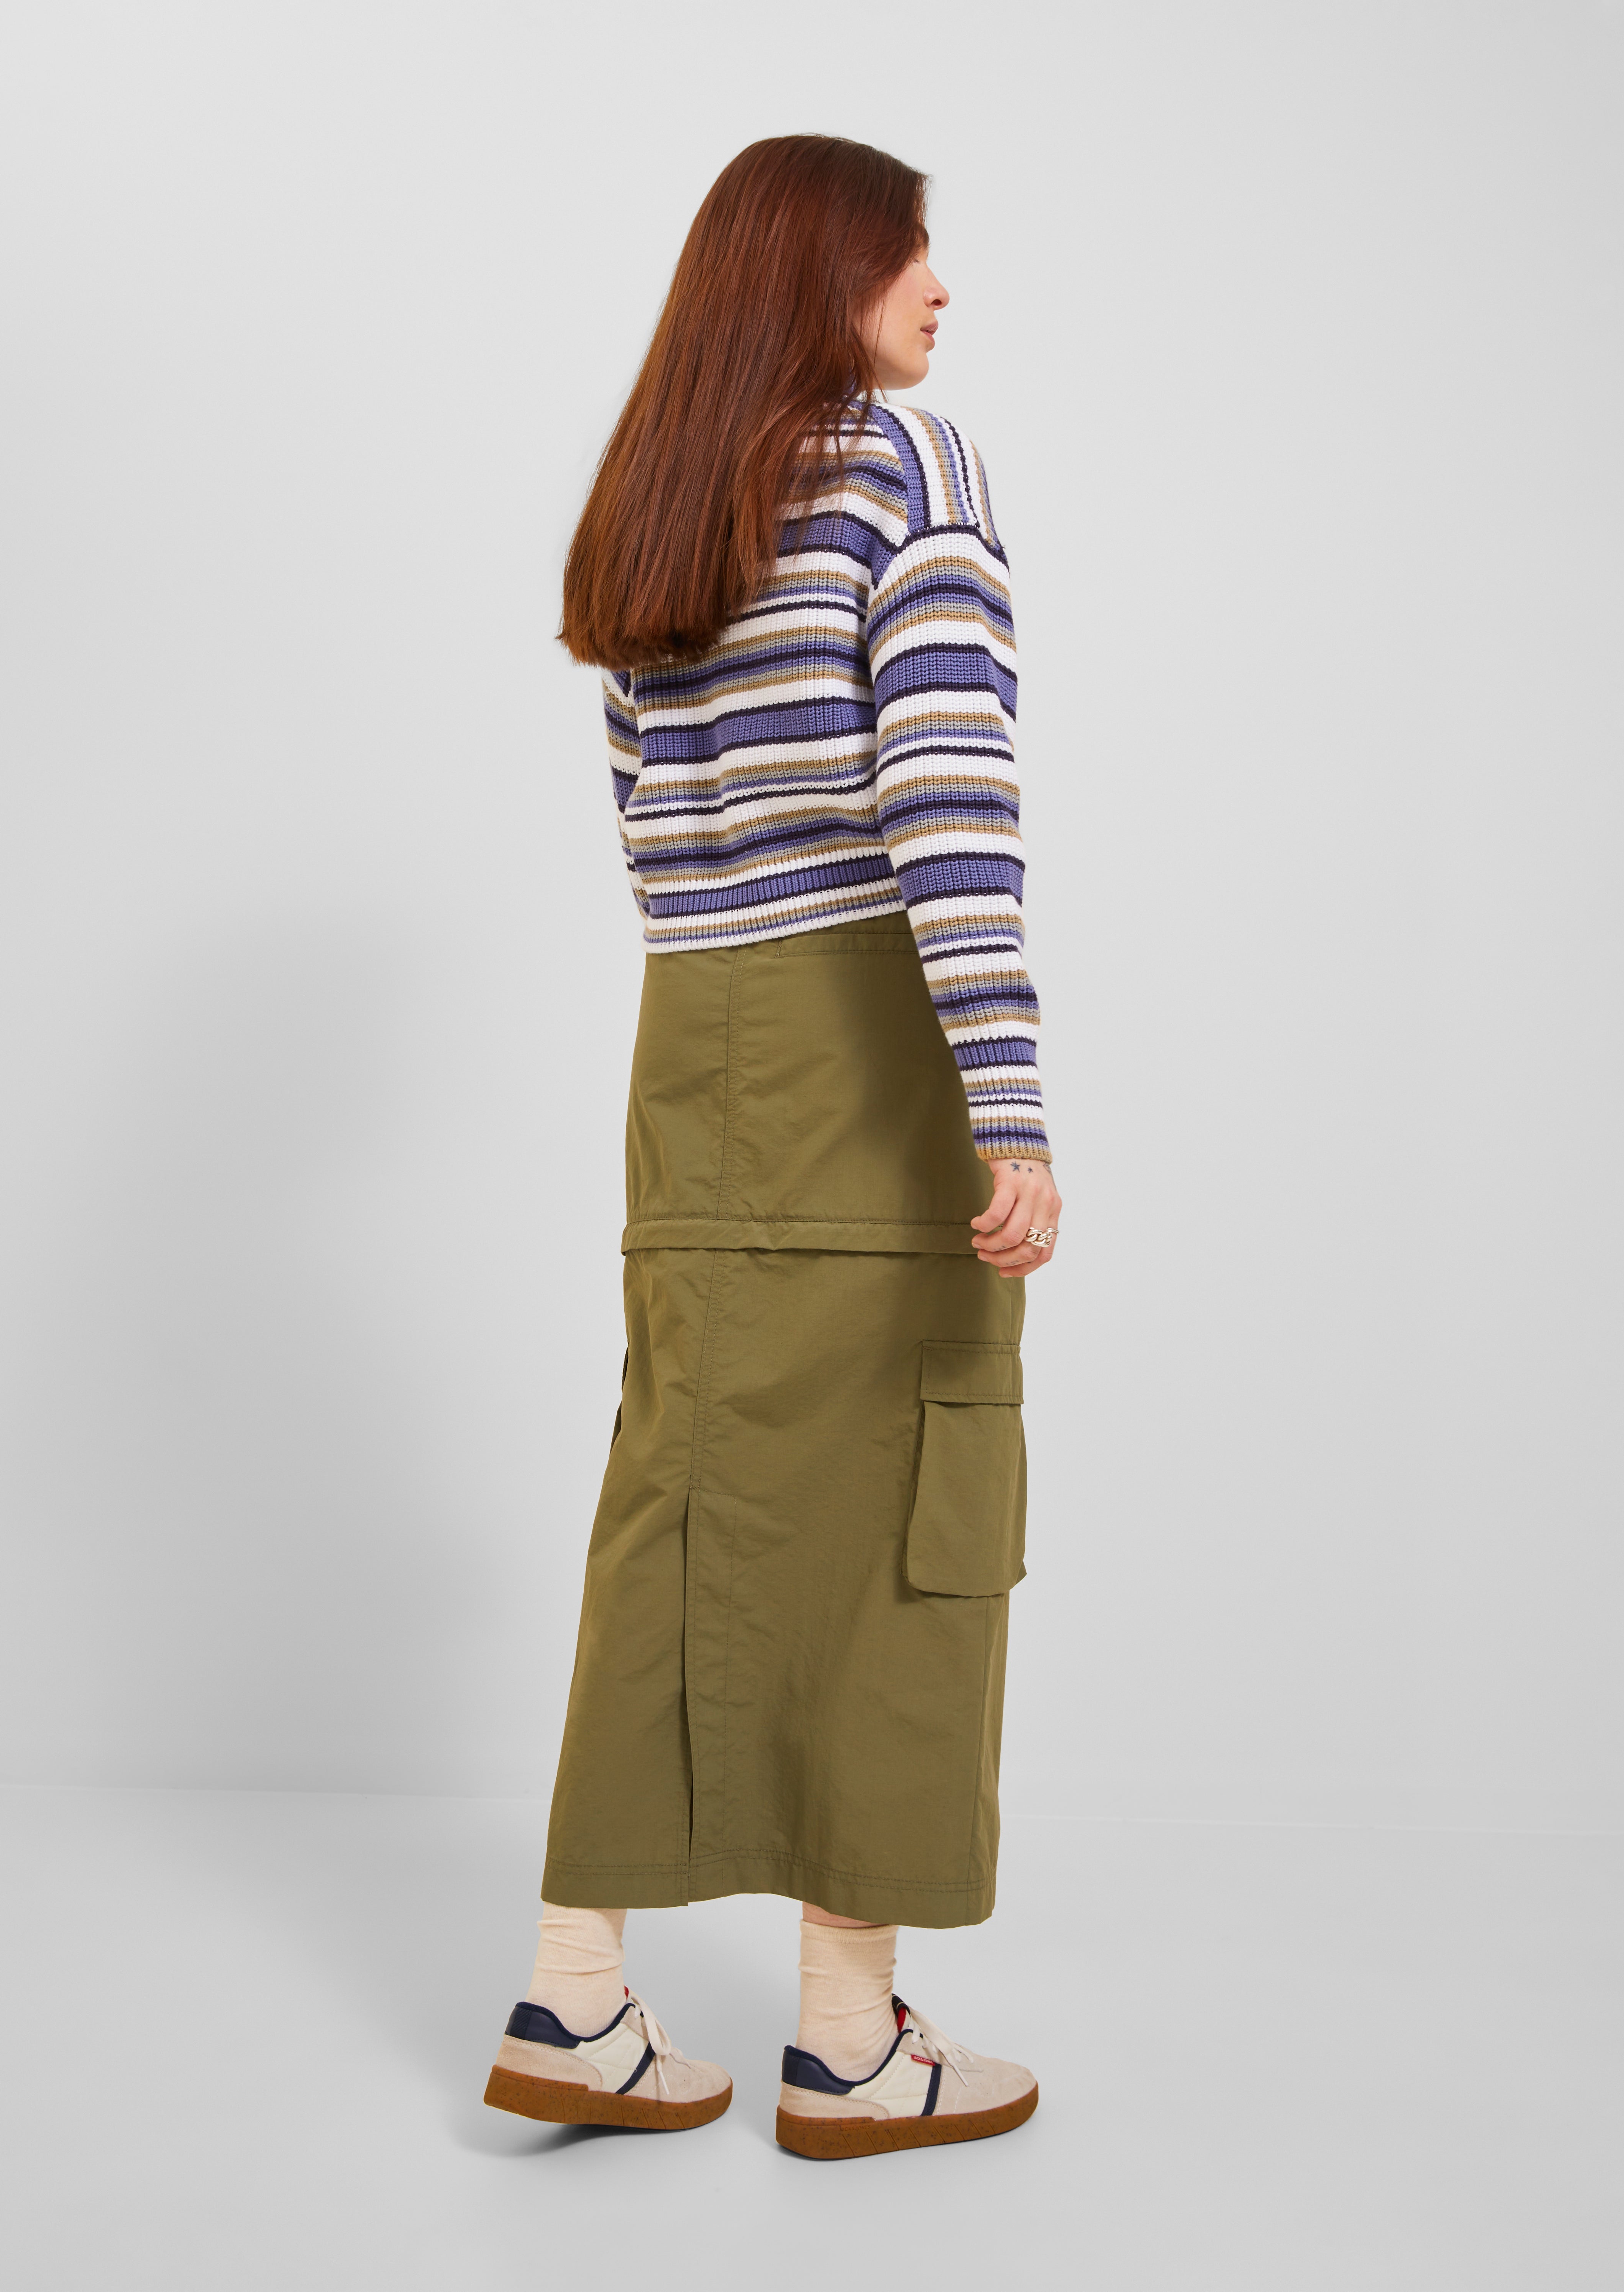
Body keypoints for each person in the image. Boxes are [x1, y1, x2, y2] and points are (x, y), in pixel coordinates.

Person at [484, 134, 1061, 2161]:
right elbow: (950, 801)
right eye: (912, 249)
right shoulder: (909, 473)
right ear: (829, 269)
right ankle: (847, 2038)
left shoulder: (659, 498)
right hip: (869, 1060)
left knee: (677, 1503)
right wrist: (1007, 1100)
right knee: (916, 1514)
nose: (940, 285)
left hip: (696, 1053)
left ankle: (574, 1993)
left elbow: (650, 829)